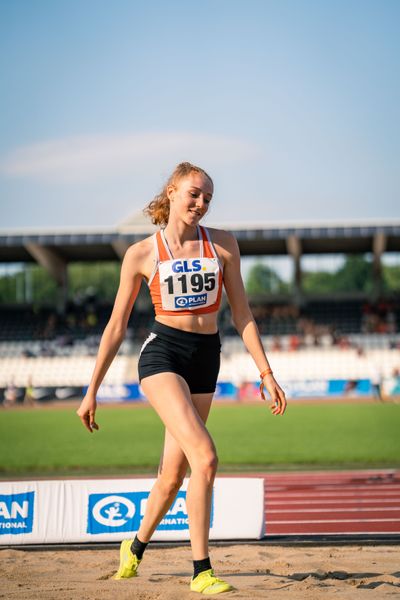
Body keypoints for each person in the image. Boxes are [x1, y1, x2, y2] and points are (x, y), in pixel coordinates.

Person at [76, 162, 287, 595]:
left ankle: (132, 548)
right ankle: (201, 571)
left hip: (206, 358)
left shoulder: (224, 244)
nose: (201, 203)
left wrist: (266, 372)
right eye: (194, 194)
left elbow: (242, 314)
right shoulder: (141, 253)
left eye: (208, 198)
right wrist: (91, 390)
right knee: (205, 457)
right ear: (171, 191)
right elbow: (115, 326)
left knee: (172, 476)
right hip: (162, 355)